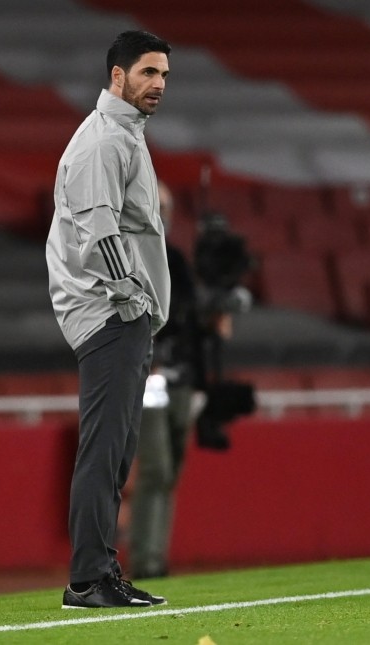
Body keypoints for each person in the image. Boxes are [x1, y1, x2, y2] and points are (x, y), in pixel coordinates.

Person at [46, 30, 172, 610]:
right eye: (148, 72)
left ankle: (100, 573)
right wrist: (133, 300)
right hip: (110, 314)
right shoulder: (103, 142)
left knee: (117, 450)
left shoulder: (122, 135)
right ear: (117, 77)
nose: (159, 85)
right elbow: (100, 232)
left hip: (118, 315)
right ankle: (88, 579)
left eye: (165, 75)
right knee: (105, 450)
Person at [129, 182, 240, 580]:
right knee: (157, 468)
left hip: (181, 379)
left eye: (168, 207)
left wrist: (215, 323)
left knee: (171, 470)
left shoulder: (176, 260)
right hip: (150, 377)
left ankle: (156, 554)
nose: (163, 213)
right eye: (157, 205)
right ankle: (146, 560)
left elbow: (191, 322)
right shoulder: (131, 256)